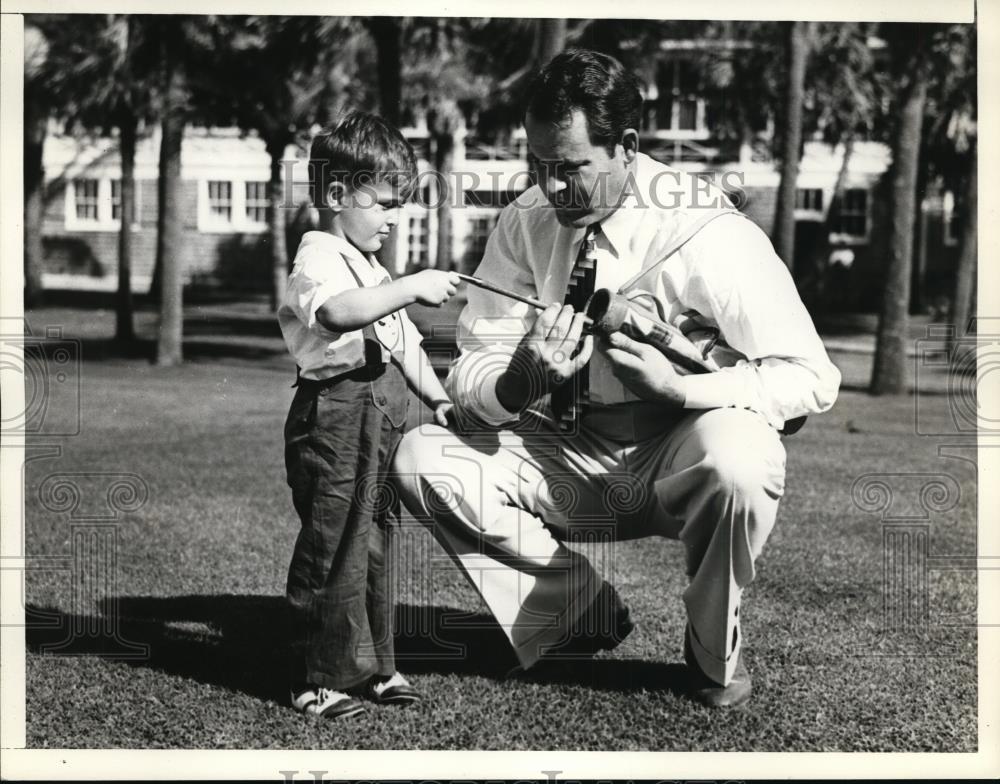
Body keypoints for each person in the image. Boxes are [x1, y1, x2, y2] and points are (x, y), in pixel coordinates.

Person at [392, 50, 841, 708]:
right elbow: (469, 368)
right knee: (421, 456)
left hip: (679, 456)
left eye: (571, 168)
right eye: (539, 166)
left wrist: (682, 389)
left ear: (627, 147)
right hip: (568, 452)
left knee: (742, 460)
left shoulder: (705, 228)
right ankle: (575, 610)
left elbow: (810, 378)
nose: (550, 186)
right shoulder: (524, 223)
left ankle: (711, 644)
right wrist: (516, 383)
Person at [278, 112, 460, 719]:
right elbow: (334, 314)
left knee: (375, 543)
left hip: (379, 419)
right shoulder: (320, 255)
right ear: (336, 195)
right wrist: (409, 285)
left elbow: (404, 343)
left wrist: (436, 397)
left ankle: (377, 666)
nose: (393, 218)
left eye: (398, 205)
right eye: (383, 203)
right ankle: (317, 677)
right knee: (333, 544)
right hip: (333, 418)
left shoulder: (372, 269)